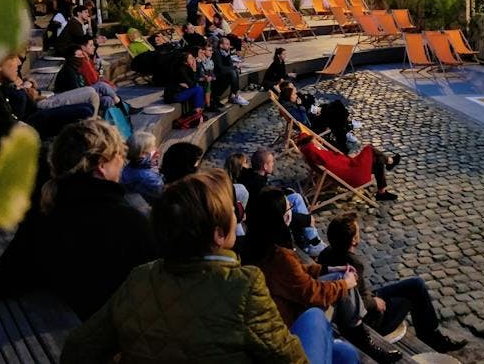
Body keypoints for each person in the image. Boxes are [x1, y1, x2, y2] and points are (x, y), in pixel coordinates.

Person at [61, 170, 314, 364]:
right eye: (233, 212)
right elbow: (291, 359)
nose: (239, 215)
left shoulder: (141, 277)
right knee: (318, 325)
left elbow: (77, 348)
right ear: (218, 234)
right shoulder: (244, 286)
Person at [0, 119, 156, 320]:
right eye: (119, 155)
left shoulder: (46, 214)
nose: (123, 161)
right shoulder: (130, 222)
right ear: (102, 165)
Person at [244, 187, 398, 363]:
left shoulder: (258, 244)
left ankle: (359, 333)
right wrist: (344, 284)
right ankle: (362, 338)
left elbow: (294, 275)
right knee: (343, 285)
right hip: (291, 320)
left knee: (339, 278)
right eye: (289, 209)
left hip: (285, 309)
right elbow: (311, 293)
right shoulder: (279, 255)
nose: (292, 212)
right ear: (283, 217)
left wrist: (327, 269)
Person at [320, 213, 467, 353]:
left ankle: (432, 335)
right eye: (358, 231)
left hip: (363, 300)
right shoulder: (353, 263)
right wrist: (374, 302)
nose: (360, 233)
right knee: (413, 296)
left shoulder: (326, 253)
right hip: (371, 321)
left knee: (416, 283)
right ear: (353, 240)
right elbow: (355, 304)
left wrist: (372, 298)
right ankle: (432, 338)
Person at [0, 56, 96, 154]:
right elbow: (12, 127)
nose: (19, 62)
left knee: (88, 109)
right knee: (86, 111)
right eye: (14, 57)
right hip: (31, 123)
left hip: (32, 117)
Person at [238, 147, 326, 256]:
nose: (273, 164)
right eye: (271, 162)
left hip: (262, 211)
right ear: (265, 166)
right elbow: (276, 214)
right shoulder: (259, 187)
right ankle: (313, 242)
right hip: (264, 219)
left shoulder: (252, 176)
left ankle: (309, 240)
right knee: (300, 207)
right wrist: (306, 219)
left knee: (296, 197)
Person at [296, 133, 400, 202]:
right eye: (315, 140)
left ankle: (382, 192)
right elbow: (335, 161)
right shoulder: (316, 153)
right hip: (353, 173)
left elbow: (333, 159)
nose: (317, 141)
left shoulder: (314, 154)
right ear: (310, 142)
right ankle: (390, 162)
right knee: (369, 149)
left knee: (378, 161)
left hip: (349, 168)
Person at [120, 131, 164, 205]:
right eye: (153, 147)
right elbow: (163, 193)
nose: (156, 150)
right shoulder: (147, 178)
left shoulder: (130, 167)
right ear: (143, 154)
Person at [162, 51, 204, 118]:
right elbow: (193, 84)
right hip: (174, 96)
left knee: (198, 87)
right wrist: (194, 70)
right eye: (190, 58)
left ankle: (197, 110)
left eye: (192, 57)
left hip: (179, 92)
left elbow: (193, 82)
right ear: (185, 62)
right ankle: (197, 111)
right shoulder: (182, 70)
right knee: (199, 89)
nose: (193, 59)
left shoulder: (186, 68)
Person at [214, 36, 249, 106]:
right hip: (216, 74)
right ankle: (236, 95)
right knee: (233, 71)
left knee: (235, 70)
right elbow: (220, 67)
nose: (229, 46)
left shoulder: (226, 53)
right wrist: (233, 66)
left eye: (229, 44)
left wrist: (234, 66)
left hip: (223, 72)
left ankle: (233, 96)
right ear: (221, 45)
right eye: (227, 44)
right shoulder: (217, 53)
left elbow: (230, 64)